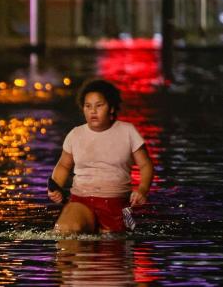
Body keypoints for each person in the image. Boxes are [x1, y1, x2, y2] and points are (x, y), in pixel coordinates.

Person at [47, 79, 154, 234]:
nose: (93, 111)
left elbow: (146, 165)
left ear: (111, 108)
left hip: (116, 206)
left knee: (111, 249)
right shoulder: (75, 134)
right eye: (88, 106)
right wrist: (55, 187)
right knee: (65, 230)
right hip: (80, 202)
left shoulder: (127, 131)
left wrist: (142, 190)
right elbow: (64, 165)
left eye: (99, 105)